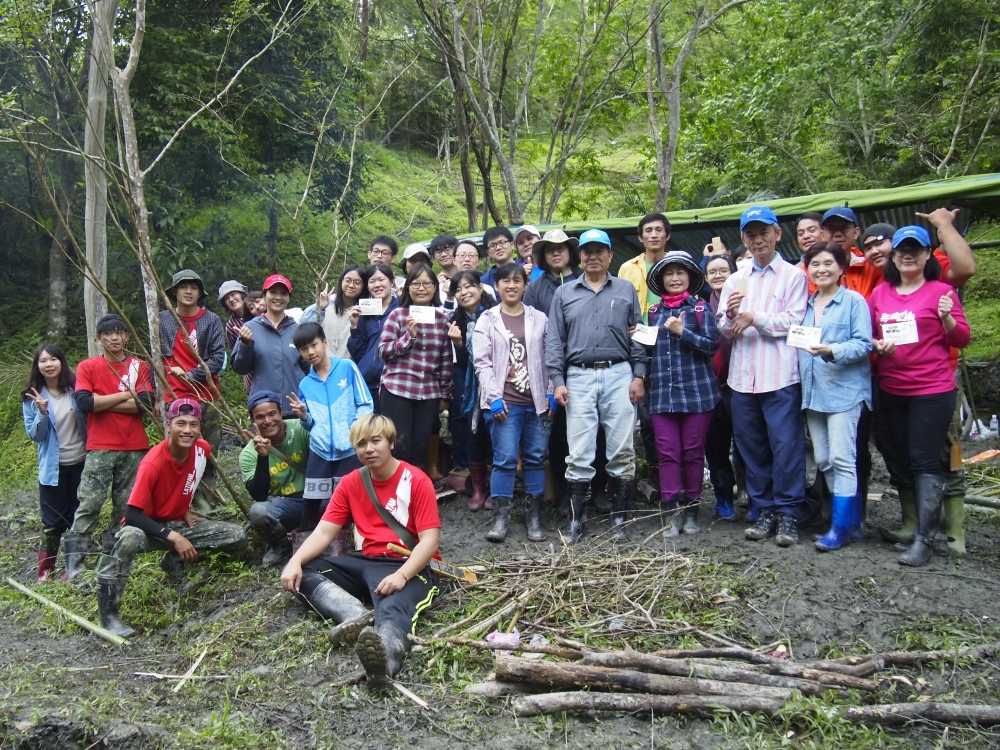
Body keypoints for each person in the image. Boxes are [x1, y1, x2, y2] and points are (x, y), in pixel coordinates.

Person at [280, 414, 440, 688]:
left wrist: (402, 576)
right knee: (304, 570)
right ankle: (352, 613)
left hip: (407, 565)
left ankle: (385, 661)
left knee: (392, 609)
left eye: (376, 441)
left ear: (390, 443)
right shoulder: (352, 482)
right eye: (361, 444)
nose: (369, 449)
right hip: (366, 561)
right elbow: (324, 532)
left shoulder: (416, 480)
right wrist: (294, 560)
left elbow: (429, 541)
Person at [95, 399, 248, 637]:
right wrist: (173, 536)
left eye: (193, 424)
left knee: (235, 535)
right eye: (181, 424)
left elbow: (188, 481)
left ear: (200, 427)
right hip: (146, 528)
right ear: (169, 425)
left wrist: (184, 509)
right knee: (129, 540)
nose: (187, 430)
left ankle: (173, 560)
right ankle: (108, 615)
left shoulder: (202, 450)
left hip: (176, 523)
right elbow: (132, 514)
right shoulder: (153, 463)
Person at [869, 226, 970, 566]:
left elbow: (962, 339)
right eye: (901, 251)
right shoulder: (880, 294)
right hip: (891, 388)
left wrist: (946, 319)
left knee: (926, 461)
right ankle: (915, 528)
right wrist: (876, 346)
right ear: (894, 257)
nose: (907, 255)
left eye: (915, 249)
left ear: (928, 255)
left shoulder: (941, 291)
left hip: (932, 390)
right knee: (903, 459)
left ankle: (926, 539)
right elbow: (866, 335)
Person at [546, 228, 647, 543]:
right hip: (578, 377)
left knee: (621, 448)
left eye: (599, 251)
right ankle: (577, 522)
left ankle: (620, 519)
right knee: (579, 452)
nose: (592, 256)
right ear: (580, 256)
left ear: (610, 255)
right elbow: (554, 340)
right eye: (587, 251)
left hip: (619, 373)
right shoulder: (564, 293)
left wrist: (639, 374)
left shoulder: (626, 289)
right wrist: (557, 381)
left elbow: (638, 334)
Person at [717, 206, 809, 547]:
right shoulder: (734, 279)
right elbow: (723, 329)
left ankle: (788, 514)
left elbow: (796, 321)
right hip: (742, 378)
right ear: (743, 239)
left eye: (763, 232)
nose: (758, 240)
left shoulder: (794, 276)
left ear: (777, 234)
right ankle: (764, 507)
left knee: (786, 446)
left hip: (780, 376)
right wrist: (729, 316)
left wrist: (755, 316)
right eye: (750, 235)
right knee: (751, 447)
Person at [63, 315, 154, 581]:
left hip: (134, 445)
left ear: (127, 336)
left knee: (125, 505)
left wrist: (103, 400)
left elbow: (146, 403)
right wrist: (128, 395)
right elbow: (84, 403)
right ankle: (74, 562)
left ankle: (113, 556)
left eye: (119, 332)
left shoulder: (140, 366)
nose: (114, 338)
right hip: (100, 445)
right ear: (98, 338)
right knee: (90, 501)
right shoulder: (88, 366)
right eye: (108, 333)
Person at [797, 242, 873, 551]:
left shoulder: (853, 301)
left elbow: (864, 344)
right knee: (825, 459)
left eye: (828, 263)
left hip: (845, 392)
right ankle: (851, 524)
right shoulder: (806, 304)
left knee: (843, 458)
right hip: (814, 394)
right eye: (815, 264)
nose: (821, 269)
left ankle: (840, 528)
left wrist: (833, 350)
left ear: (841, 268)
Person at [473, 263, 553, 542]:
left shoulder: (540, 318)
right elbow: (481, 363)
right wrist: (493, 397)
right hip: (504, 403)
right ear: (496, 286)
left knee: (534, 458)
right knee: (505, 459)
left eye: (517, 280)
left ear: (525, 285)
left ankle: (534, 519)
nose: (511, 285)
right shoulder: (487, 319)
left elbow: (550, 356)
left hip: (537, 403)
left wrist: (552, 390)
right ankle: (500, 519)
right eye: (505, 280)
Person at [644, 252, 720, 536]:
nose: (674, 278)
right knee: (667, 453)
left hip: (698, 394)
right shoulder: (653, 313)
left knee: (692, 453)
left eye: (680, 273)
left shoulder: (700, 309)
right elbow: (647, 350)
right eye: (669, 274)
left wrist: (681, 332)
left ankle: (692, 509)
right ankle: (671, 511)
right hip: (662, 394)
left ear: (690, 277)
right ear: (661, 280)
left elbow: (712, 347)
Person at [290, 322, 373, 537]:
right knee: (312, 500)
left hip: (349, 449)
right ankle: (306, 544)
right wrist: (304, 416)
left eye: (314, 345)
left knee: (355, 496)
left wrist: (354, 433)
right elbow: (309, 424)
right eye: (304, 349)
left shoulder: (346, 367)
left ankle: (363, 541)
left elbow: (365, 403)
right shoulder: (306, 384)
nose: (310, 352)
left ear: (324, 342)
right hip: (320, 452)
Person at [522, 229, 584, 503]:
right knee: (557, 430)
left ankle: (590, 490)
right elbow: (527, 326)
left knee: (589, 427)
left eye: (561, 248)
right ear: (544, 257)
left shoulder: (586, 280)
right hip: (549, 367)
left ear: (571, 252)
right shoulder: (536, 288)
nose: (556, 253)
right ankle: (561, 490)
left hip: (585, 364)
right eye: (550, 250)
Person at [159, 269, 226, 513]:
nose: (189, 291)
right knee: (176, 455)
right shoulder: (163, 319)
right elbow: (156, 357)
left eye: (194, 287)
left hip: (205, 396)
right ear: (174, 291)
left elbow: (218, 357)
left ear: (200, 292)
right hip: (174, 397)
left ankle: (207, 506)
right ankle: (177, 507)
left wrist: (192, 375)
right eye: (184, 286)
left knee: (207, 454)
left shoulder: (211, 320)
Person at [377, 265, 453, 471]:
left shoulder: (442, 320)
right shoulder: (397, 316)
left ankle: (416, 496)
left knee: (421, 447)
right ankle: (394, 495)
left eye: (427, 283)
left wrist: (445, 395)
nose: (421, 288)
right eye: (416, 283)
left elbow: (445, 360)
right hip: (397, 389)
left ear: (435, 287)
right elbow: (383, 351)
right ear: (408, 287)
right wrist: (408, 338)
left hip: (428, 392)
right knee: (399, 446)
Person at [22, 344, 87, 581]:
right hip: (53, 468)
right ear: (37, 366)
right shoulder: (31, 397)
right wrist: (41, 412)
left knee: (77, 517)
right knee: (52, 521)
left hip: (81, 463)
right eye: (43, 361)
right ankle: (45, 572)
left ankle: (72, 568)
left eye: (53, 359)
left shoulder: (76, 388)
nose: (49, 364)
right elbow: (35, 436)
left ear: (61, 362)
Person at [615, 213, 670, 483]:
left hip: (670, 346)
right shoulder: (627, 268)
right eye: (648, 230)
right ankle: (654, 472)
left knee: (667, 411)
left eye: (659, 230)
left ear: (667, 235)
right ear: (640, 237)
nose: (653, 235)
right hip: (637, 346)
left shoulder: (676, 266)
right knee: (645, 415)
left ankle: (672, 472)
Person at [240, 390, 311, 565]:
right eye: (260, 417)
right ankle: (281, 545)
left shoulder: (302, 429)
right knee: (258, 512)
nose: (268, 421)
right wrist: (263, 457)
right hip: (286, 507)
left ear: (280, 411)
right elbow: (259, 496)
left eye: (272, 413)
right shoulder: (248, 454)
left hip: (317, 498)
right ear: (253, 420)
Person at [446, 271, 496, 510]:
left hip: (497, 382)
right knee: (473, 432)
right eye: (458, 289)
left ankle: (497, 487)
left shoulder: (496, 314)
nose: (464, 292)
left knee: (497, 432)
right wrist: (458, 343)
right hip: (470, 387)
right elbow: (464, 363)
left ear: (480, 288)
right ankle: (478, 488)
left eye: (469, 286)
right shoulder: (456, 320)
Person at [703, 254, 745, 519]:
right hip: (710, 385)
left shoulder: (746, 301)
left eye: (724, 270)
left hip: (742, 383)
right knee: (715, 445)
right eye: (712, 271)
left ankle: (751, 494)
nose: (718, 275)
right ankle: (723, 497)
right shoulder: (700, 307)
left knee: (746, 443)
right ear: (705, 277)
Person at [231, 274, 310, 417]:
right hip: (263, 410)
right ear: (264, 295)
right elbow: (240, 368)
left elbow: (307, 367)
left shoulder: (297, 330)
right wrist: (245, 344)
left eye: (283, 293)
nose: (278, 297)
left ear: (289, 298)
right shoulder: (250, 328)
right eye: (273, 292)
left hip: (295, 408)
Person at [348, 264, 399, 413]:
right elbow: (358, 354)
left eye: (381, 279)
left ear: (392, 281)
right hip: (367, 384)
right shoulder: (364, 312)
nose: (377, 285)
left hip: (393, 383)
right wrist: (354, 327)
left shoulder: (402, 309)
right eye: (372, 281)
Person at [303, 265, 367, 360]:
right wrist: (320, 308)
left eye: (357, 283)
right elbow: (303, 329)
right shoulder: (328, 303)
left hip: (347, 368)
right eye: (348, 280)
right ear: (341, 281)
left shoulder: (364, 311)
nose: (351, 285)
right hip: (321, 366)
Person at [219, 280, 254, 392]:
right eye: (226, 298)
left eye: (233, 294)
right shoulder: (231, 326)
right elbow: (237, 358)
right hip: (253, 377)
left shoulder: (259, 311)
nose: (231, 299)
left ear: (242, 294)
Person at [430, 234, 460, 310]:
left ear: (457, 250)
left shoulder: (471, 277)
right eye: (438, 251)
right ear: (434, 257)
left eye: (447, 249)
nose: (443, 254)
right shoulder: (433, 284)